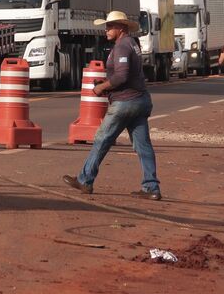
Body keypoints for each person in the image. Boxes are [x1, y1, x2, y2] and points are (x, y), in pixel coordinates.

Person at [62, 11, 161, 200]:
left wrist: (102, 87)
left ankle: (85, 179)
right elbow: (125, 75)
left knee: (101, 139)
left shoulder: (122, 46)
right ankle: (151, 187)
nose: (106, 30)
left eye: (110, 26)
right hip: (140, 100)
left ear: (121, 28)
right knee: (143, 145)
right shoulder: (132, 43)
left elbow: (122, 76)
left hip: (125, 102)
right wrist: (107, 81)